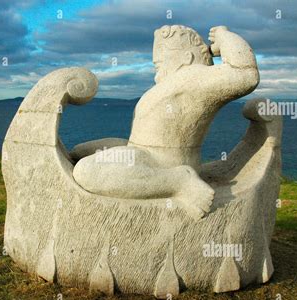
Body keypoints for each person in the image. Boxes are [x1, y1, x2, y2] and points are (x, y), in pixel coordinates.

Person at [72, 25, 259, 219]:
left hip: (161, 163)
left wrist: (223, 36)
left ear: (187, 57)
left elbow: (246, 74)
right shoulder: (175, 82)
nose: (156, 64)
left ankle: (178, 181)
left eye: (160, 61)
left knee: (86, 171)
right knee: (79, 151)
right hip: (140, 150)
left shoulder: (196, 77)